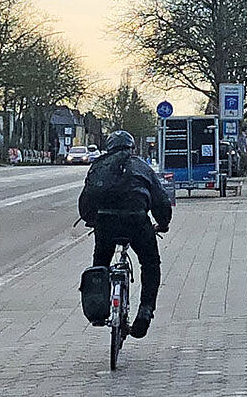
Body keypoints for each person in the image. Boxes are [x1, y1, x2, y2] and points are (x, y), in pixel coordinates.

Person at [78, 130, 173, 338]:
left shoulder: (99, 166)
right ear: (132, 148)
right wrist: (163, 223)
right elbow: (160, 199)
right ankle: (146, 311)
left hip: (105, 223)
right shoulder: (142, 167)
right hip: (137, 221)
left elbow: (86, 198)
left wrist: (91, 219)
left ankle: (99, 308)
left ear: (109, 148)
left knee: (100, 264)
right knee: (150, 264)